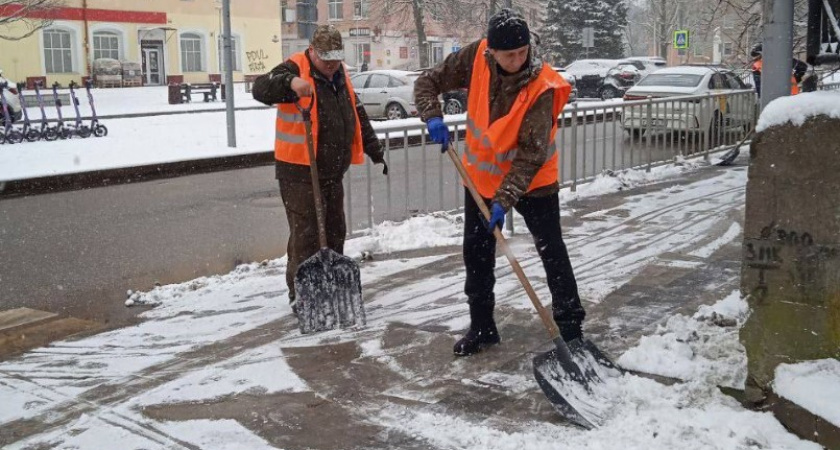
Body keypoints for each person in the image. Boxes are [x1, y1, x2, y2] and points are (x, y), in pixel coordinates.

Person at [414, 8, 585, 356]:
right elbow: (427, 82)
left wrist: (504, 200)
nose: (518, 60)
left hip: (534, 182)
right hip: (480, 179)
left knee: (551, 250)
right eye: (510, 55)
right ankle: (482, 326)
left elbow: (529, 157)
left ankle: (570, 330)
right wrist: (433, 116)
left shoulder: (543, 87)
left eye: (523, 52)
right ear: (492, 51)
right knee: (476, 254)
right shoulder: (476, 56)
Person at [252, 24, 387, 313]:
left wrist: (375, 150)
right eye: (326, 58)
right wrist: (290, 84)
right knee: (307, 233)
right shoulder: (294, 67)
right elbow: (260, 87)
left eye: (336, 58)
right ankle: (301, 294)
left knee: (335, 228)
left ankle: (331, 286)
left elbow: (356, 113)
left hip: (331, 172)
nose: (331, 64)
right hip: (299, 171)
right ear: (311, 51)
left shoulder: (340, 75)